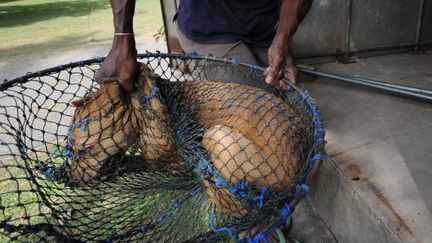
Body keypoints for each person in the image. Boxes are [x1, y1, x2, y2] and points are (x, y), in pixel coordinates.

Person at [95, 0, 312, 92]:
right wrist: (122, 40)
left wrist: (283, 38)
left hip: (263, 26)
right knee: (260, 109)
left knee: (288, 94)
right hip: (209, 30)